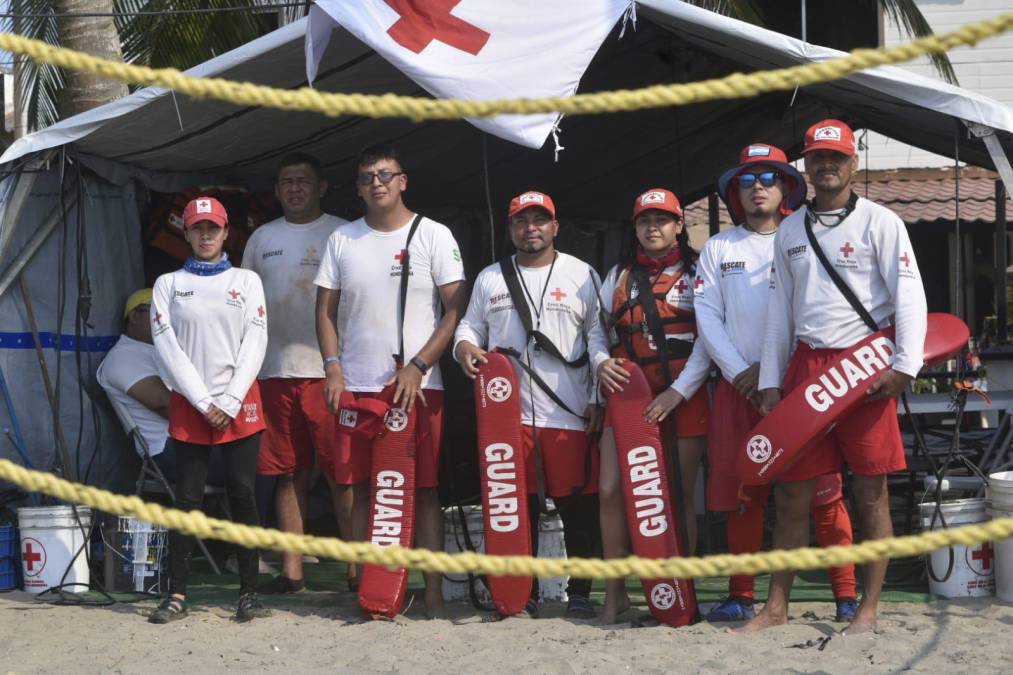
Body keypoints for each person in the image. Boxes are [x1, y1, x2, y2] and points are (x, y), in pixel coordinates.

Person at [738, 120, 927, 634]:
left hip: (865, 369)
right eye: (818, 157)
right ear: (805, 165)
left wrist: (905, 367)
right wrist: (772, 381)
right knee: (793, 493)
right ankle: (776, 608)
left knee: (870, 494)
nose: (827, 166)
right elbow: (780, 310)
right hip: (806, 369)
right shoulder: (791, 228)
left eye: (837, 158)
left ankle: (868, 608)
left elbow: (909, 295)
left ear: (853, 163)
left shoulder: (882, 222)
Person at [695, 143, 857, 623]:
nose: (758, 187)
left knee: (823, 494)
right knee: (745, 493)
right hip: (737, 387)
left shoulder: (801, 234)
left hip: (799, 387)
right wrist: (739, 372)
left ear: (787, 185)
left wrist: (775, 375)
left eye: (768, 178)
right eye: (746, 180)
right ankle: (742, 595)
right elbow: (706, 314)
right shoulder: (718, 246)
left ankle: (845, 594)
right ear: (734, 192)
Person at [314, 144, 467, 617]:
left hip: (416, 385)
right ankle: (368, 590)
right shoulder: (343, 239)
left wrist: (419, 365)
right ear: (357, 187)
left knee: (422, 490)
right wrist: (333, 367)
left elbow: (456, 310)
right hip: (355, 384)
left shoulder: (434, 235)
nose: (375, 183)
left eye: (384, 174)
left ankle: (435, 593)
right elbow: (323, 310)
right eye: (365, 178)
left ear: (403, 181)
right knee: (358, 488)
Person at [454, 190, 609, 619]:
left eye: (540, 220)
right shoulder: (490, 277)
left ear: (556, 227)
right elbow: (468, 327)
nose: (531, 229)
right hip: (507, 418)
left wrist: (598, 397)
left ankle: (579, 591)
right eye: (522, 222)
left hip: (571, 412)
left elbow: (599, 337)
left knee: (579, 508)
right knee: (514, 509)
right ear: (510, 229)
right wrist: (464, 348)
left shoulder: (582, 274)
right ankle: (523, 593)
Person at [149, 196, 271, 624]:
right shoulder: (168, 284)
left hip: (240, 402)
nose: (205, 235)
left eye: (213, 228)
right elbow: (167, 347)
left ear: (225, 233)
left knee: (243, 495)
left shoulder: (247, 280)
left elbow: (255, 341)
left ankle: (249, 593)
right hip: (191, 404)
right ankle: (177, 593)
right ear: (185, 233)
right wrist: (203, 402)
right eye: (197, 227)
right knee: (186, 498)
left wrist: (231, 400)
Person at [595, 188, 711, 624]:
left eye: (662, 220)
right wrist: (601, 361)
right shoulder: (618, 276)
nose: (653, 228)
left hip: (684, 395)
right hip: (627, 399)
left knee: (678, 495)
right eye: (645, 220)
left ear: (679, 224)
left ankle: (680, 592)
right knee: (609, 490)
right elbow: (595, 330)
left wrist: (678, 392)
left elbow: (709, 340)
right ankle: (615, 594)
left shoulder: (700, 272)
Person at [244, 153, 349, 594]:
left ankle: (357, 573)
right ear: (277, 189)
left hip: (330, 374)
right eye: (286, 181)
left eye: (303, 181)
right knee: (288, 474)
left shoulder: (344, 233)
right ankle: (292, 573)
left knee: (341, 473)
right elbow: (243, 303)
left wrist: (339, 368)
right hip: (273, 374)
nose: (294, 189)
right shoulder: (261, 238)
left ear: (322, 187)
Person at [98, 288, 227, 486]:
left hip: (193, 440)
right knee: (260, 460)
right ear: (134, 316)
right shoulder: (124, 357)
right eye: (158, 313)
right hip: (171, 447)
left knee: (272, 453)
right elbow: (164, 405)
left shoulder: (160, 352)